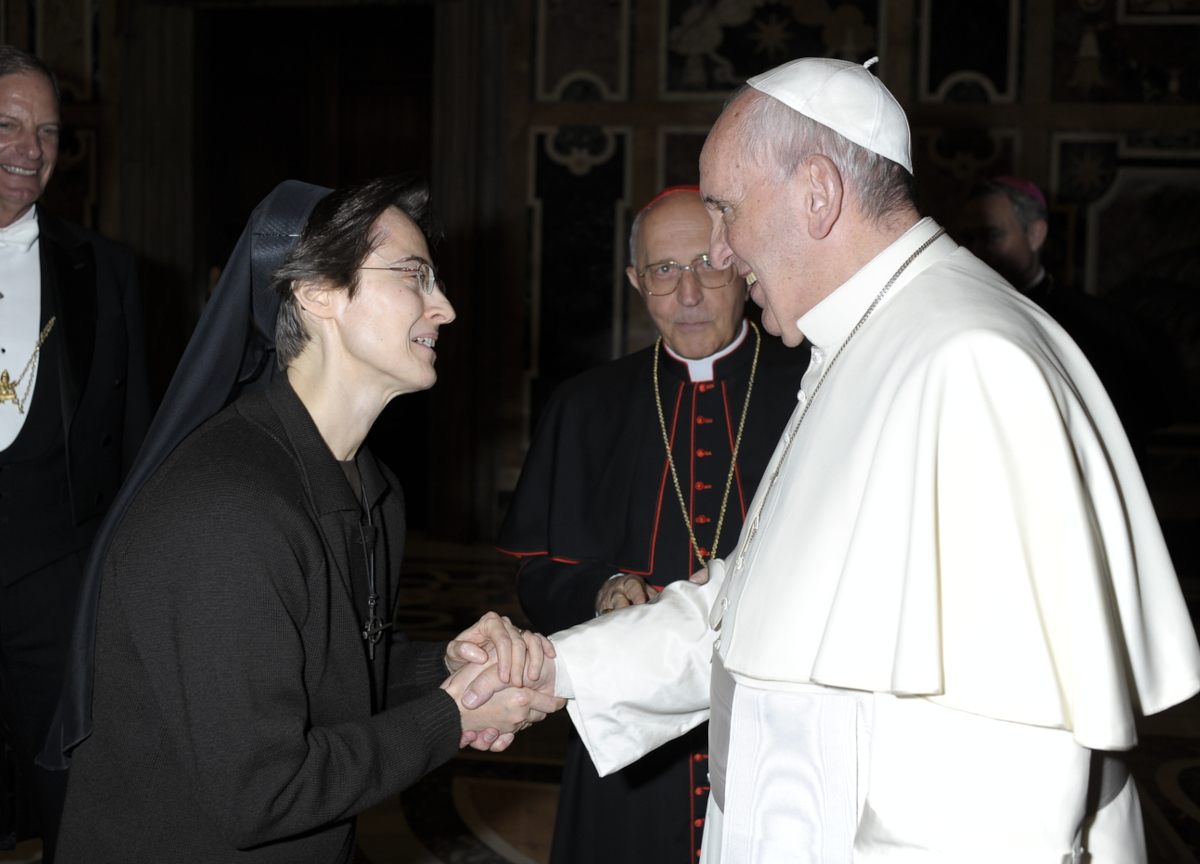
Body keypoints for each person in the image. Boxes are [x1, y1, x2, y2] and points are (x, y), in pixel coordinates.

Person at [464, 58, 1200, 863]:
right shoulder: (865, 342)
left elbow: (1004, 785)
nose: (719, 252)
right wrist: (555, 669)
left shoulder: (968, 362)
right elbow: (739, 611)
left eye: (725, 211)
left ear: (817, 193)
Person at [53, 175, 563, 863]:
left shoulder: (371, 487)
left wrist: (442, 665)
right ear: (317, 292)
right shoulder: (225, 510)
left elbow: (331, 671)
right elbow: (261, 791)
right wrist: (451, 716)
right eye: (414, 276)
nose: (443, 306)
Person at [499, 186, 807, 863]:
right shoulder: (585, 407)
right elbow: (537, 572)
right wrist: (600, 589)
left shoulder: (812, 385)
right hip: (630, 740)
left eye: (708, 263)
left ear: (744, 267)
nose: (689, 292)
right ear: (637, 281)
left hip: (777, 730)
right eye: (665, 271)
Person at [0, 46, 150, 859]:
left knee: (69, 795)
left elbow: (136, 440)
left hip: (60, 576)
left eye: (49, 132)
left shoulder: (107, 269)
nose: (31, 149)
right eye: (8, 125)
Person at [959, 176, 1180, 456]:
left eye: (992, 235)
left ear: (1035, 234)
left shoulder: (1104, 327)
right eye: (968, 238)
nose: (975, 252)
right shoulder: (958, 317)